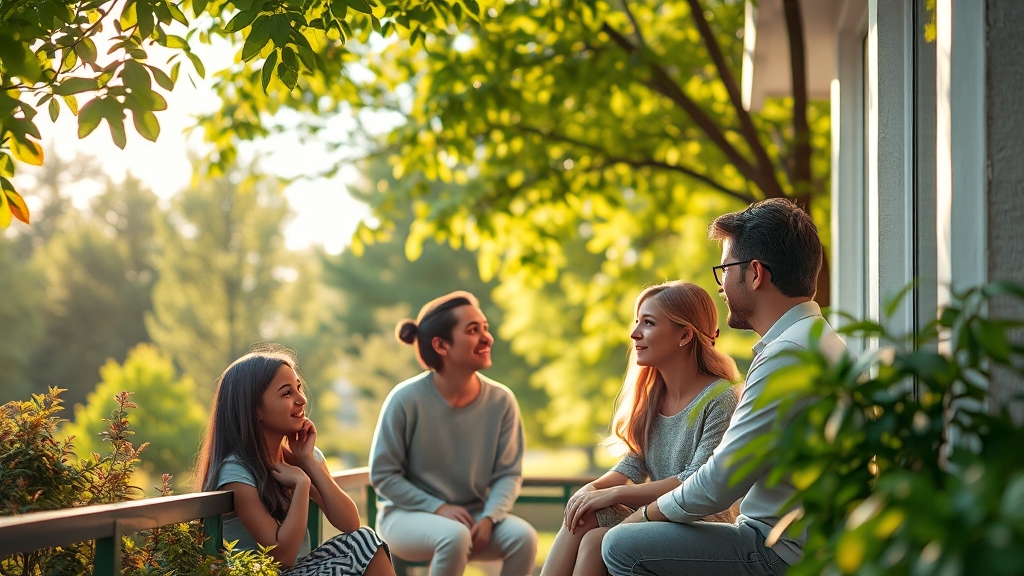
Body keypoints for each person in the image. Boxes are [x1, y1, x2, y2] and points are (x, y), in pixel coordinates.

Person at [602, 198, 849, 575]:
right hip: (799, 543)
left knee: (621, 545)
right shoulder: (820, 341)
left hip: (777, 552)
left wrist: (644, 515)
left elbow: (721, 481)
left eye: (725, 270)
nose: (721, 287)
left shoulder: (787, 354)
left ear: (755, 273)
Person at [540, 281, 741, 576]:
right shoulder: (652, 398)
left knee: (596, 540)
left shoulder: (719, 398)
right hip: (658, 517)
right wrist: (590, 491)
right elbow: (633, 465)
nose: (634, 333)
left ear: (684, 335)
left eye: (648, 323)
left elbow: (695, 480)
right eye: (637, 321)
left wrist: (614, 494)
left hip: (702, 525)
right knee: (583, 519)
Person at [369, 291, 538, 576]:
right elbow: (384, 475)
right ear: (441, 345)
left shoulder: (502, 401)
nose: (487, 338)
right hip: (404, 517)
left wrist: (490, 517)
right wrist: (437, 507)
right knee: (454, 537)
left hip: (474, 517)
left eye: (485, 327)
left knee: (524, 538)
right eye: (473, 330)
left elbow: (508, 474)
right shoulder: (405, 399)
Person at [195, 347, 394, 576]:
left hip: (299, 569)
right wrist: (301, 484)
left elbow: (350, 523)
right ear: (256, 409)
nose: (302, 399)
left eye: (298, 388)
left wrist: (308, 462)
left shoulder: (304, 457)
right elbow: (282, 557)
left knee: (364, 540)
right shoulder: (237, 472)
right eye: (287, 393)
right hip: (263, 572)